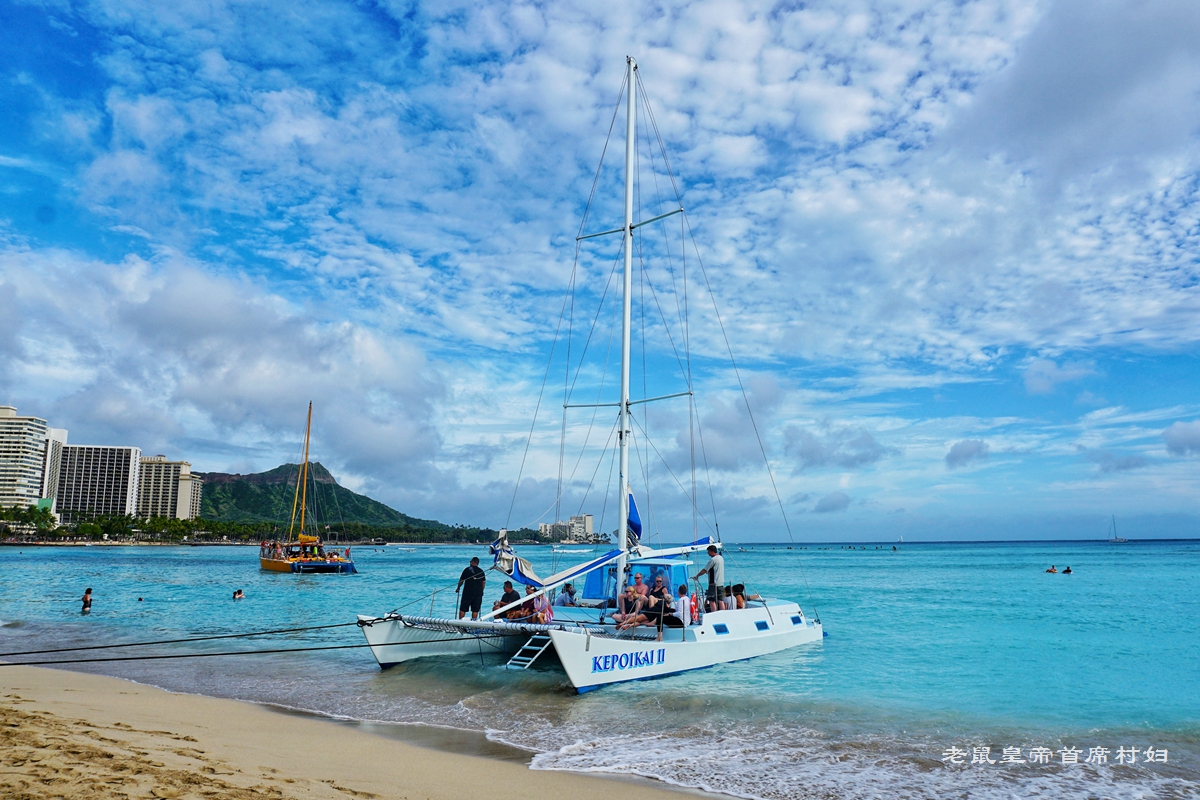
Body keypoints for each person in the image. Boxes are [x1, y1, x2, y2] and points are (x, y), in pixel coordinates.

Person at [694, 545, 725, 611]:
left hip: (713, 583)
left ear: (712, 551)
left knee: (711, 600)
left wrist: (697, 575)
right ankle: (723, 613)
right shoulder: (721, 558)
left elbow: (705, 570)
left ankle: (714, 613)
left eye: (708, 551)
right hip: (721, 582)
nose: (708, 553)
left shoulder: (713, 560)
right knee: (720, 600)